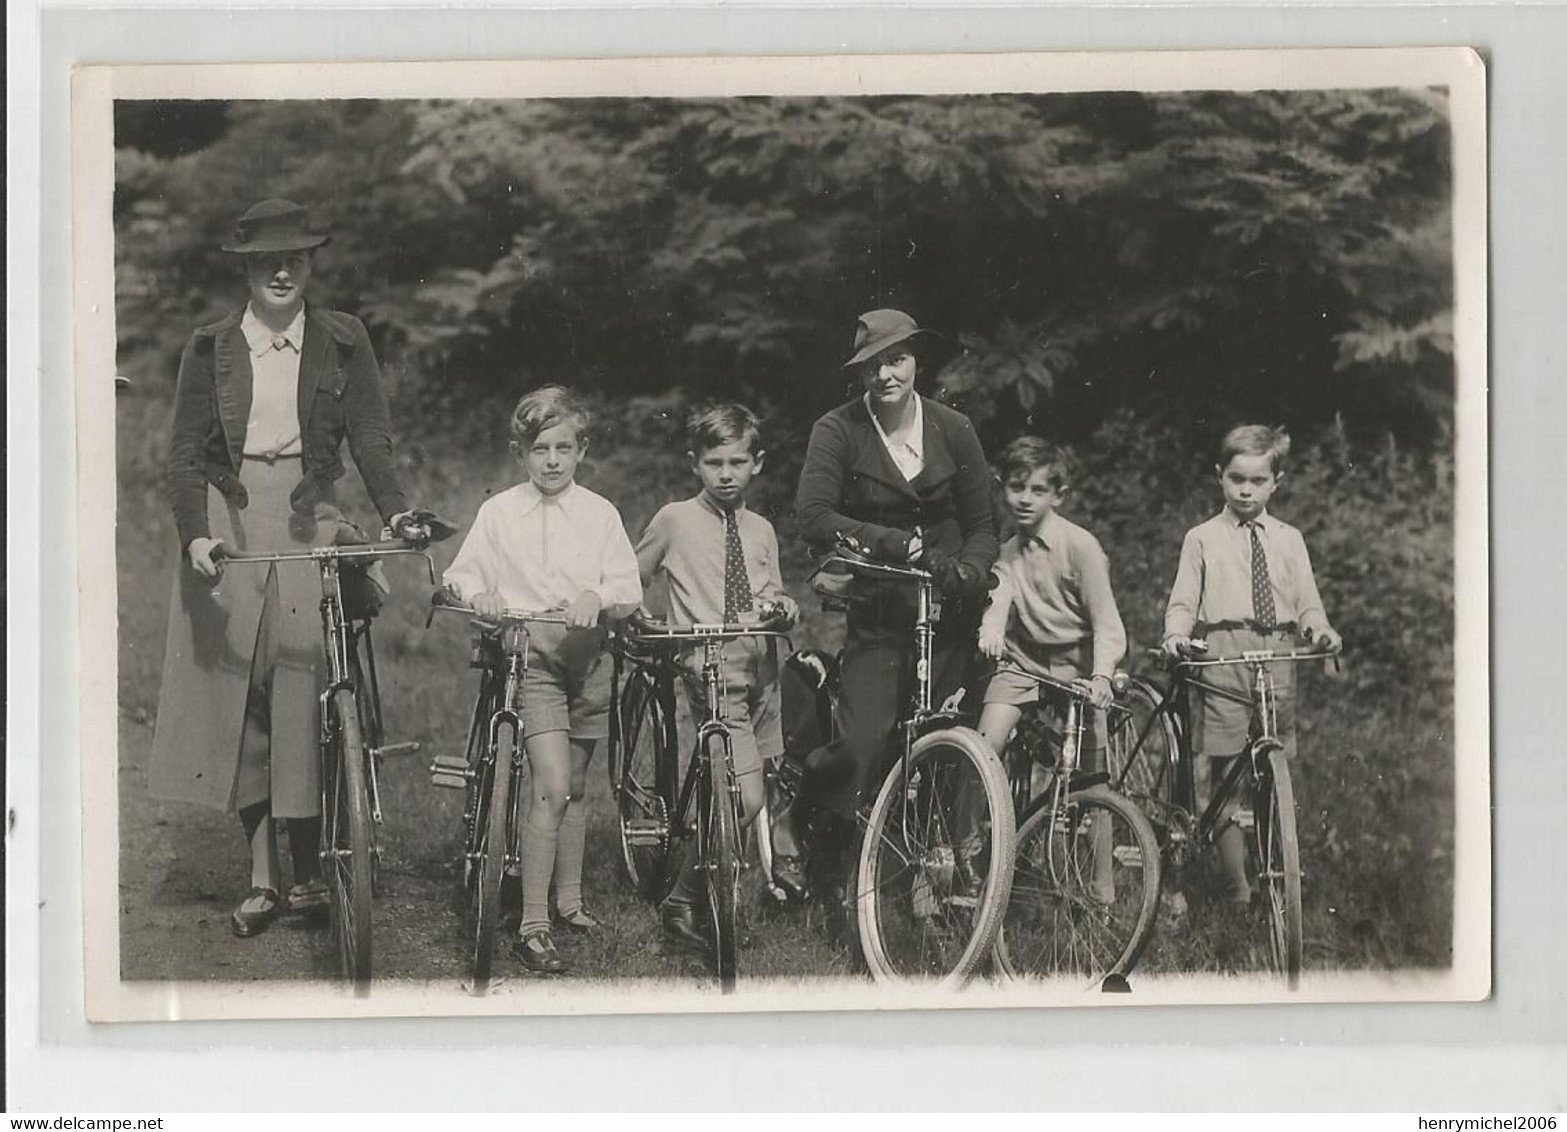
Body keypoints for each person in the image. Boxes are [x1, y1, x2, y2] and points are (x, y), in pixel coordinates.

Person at [150, 198, 432, 939]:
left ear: (311, 265)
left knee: (305, 682)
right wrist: (194, 536)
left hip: (308, 512)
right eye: (267, 260)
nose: (282, 271)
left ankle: (310, 871)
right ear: (244, 268)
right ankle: (261, 878)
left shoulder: (342, 339)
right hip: (229, 518)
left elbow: (370, 436)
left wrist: (396, 511)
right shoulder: (210, 346)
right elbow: (183, 455)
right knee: (241, 694)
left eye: (297, 258)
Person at [793, 308, 999, 890]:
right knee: (863, 744)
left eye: (897, 359)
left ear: (916, 362)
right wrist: (888, 544)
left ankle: (926, 874)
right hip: (882, 609)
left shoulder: (953, 428)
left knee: (946, 742)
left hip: (951, 612)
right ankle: (823, 848)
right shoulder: (838, 430)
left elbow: (983, 523)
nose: (886, 375)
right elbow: (813, 514)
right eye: (873, 365)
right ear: (859, 375)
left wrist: (972, 568)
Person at [443, 384, 641, 974]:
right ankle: (532, 922)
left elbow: (627, 587)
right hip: (530, 657)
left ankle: (570, 899)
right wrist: (483, 595)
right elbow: (460, 575)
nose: (552, 461)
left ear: (582, 451)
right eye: (539, 450)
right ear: (518, 453)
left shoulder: (600, 513)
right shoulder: (500, 513)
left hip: (590, 656)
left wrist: (595, 594)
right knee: (551, 785)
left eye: (564, 448)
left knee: (577, 784)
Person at [634, 404, 803, 947]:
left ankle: (719, 896)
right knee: (745, 798)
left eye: (737, 461)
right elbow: (628, 575)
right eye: (713, 462)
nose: (726, 474)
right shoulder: (675, 519)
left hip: (762, 669)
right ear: (694, 464)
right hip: (710, 668)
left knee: (756, 786)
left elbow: (771, 590)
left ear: (758, 463)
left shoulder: (761, 529)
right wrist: (637, 615)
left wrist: (784, 607)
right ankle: (683, 900)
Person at [1162, 424, 1343, 904]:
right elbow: (1183, 600)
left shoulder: (1289, 539)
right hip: (1223, 653)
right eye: (1236, 478)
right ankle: (1235, 884)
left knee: (1271, 762)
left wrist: (1319, 630)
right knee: (1226, 770)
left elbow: (1307, 603)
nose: (1245, 489)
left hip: (1277, 652)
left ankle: (1270, 862)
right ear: (1220, 477)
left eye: (1257, 481)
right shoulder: (1201, 538)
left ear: (1275, 483)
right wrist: (1177, 634)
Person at [976, 438, 1126, 899]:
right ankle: (981, 852)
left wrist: (1101, 676)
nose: (1025, 499)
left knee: (1092, 779)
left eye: (1038, 490)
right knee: (985, 744)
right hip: (1023, 661)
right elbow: (998, 599)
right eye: (1017, 487)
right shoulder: (1005, 552)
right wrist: (991, 629)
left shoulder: (1080, 546)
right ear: (1003, 488)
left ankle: (1102, 890)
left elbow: (1107, 621)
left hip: (1077, 662)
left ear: (1058, 495)